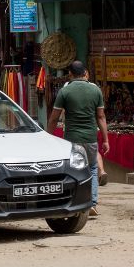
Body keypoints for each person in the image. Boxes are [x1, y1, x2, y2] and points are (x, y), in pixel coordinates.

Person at [47, 61, 110, 217]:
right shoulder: (96, 90)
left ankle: (75, 203)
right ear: (85, 72)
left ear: (70, 74)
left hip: (71, 139)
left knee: (73, 171)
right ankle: (93, 203)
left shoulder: (65, 91)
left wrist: (48, 137)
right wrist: (106, 140)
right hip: (90, 138)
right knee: (92, 169)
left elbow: (54, 118)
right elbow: (101, 116)